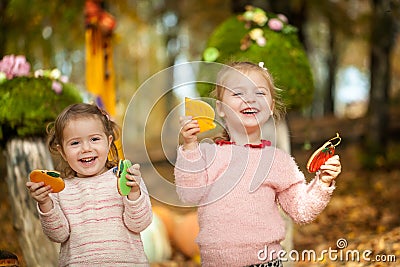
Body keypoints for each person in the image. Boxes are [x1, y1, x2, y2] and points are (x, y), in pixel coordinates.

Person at [175, 62, 341, 267]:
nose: (250, 99)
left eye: (260, 93)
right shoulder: (208, 155)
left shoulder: (278, 161)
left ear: (270, 107)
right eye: (238, 93)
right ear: (220, 108)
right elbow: (188, 194)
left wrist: (322, 183)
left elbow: (301, 211)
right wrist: (190, 148)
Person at [26, 103, 152, 266]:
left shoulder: (125, 178)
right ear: (62, 151)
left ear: (108, 141)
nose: (86, 148)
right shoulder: (61, 189)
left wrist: (134, 193)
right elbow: (58, 235)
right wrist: (45, 204)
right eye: (75, 143)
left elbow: (139, 224)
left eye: (94, 139)